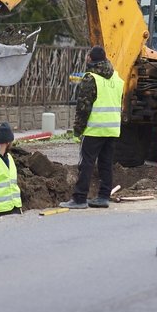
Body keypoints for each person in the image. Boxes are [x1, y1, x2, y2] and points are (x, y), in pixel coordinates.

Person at [60, 45, 124, 210]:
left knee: (86, 163)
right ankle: (103, 197)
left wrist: (78, 130)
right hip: (112, 129)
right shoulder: (117, 78)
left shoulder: (91, 78)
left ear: (90, 59)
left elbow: (83, 108)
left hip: (94, 129)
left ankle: (80, 198)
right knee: (106, 163)